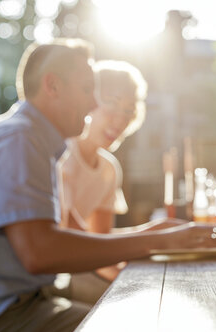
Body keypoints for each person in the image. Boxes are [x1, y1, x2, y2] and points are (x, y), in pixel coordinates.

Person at [0, 39, 216, 332]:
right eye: (87, 91)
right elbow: (41, 252)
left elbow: (78, 242)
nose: (91, 105)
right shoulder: (20, 138)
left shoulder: (31, 140)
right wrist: (158, 240)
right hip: (6, 318)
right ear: (52, 86)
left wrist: (158, 233)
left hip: (32, 302)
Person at [55, 60, 148, 304]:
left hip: (79, 273)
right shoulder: (61, 153)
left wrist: (138, 284)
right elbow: (80, 244)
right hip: (54, 279)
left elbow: (102, 246)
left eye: (129, 110)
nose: (120, 119)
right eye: (112, 104)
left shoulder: (109, 169)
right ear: (89, 102)